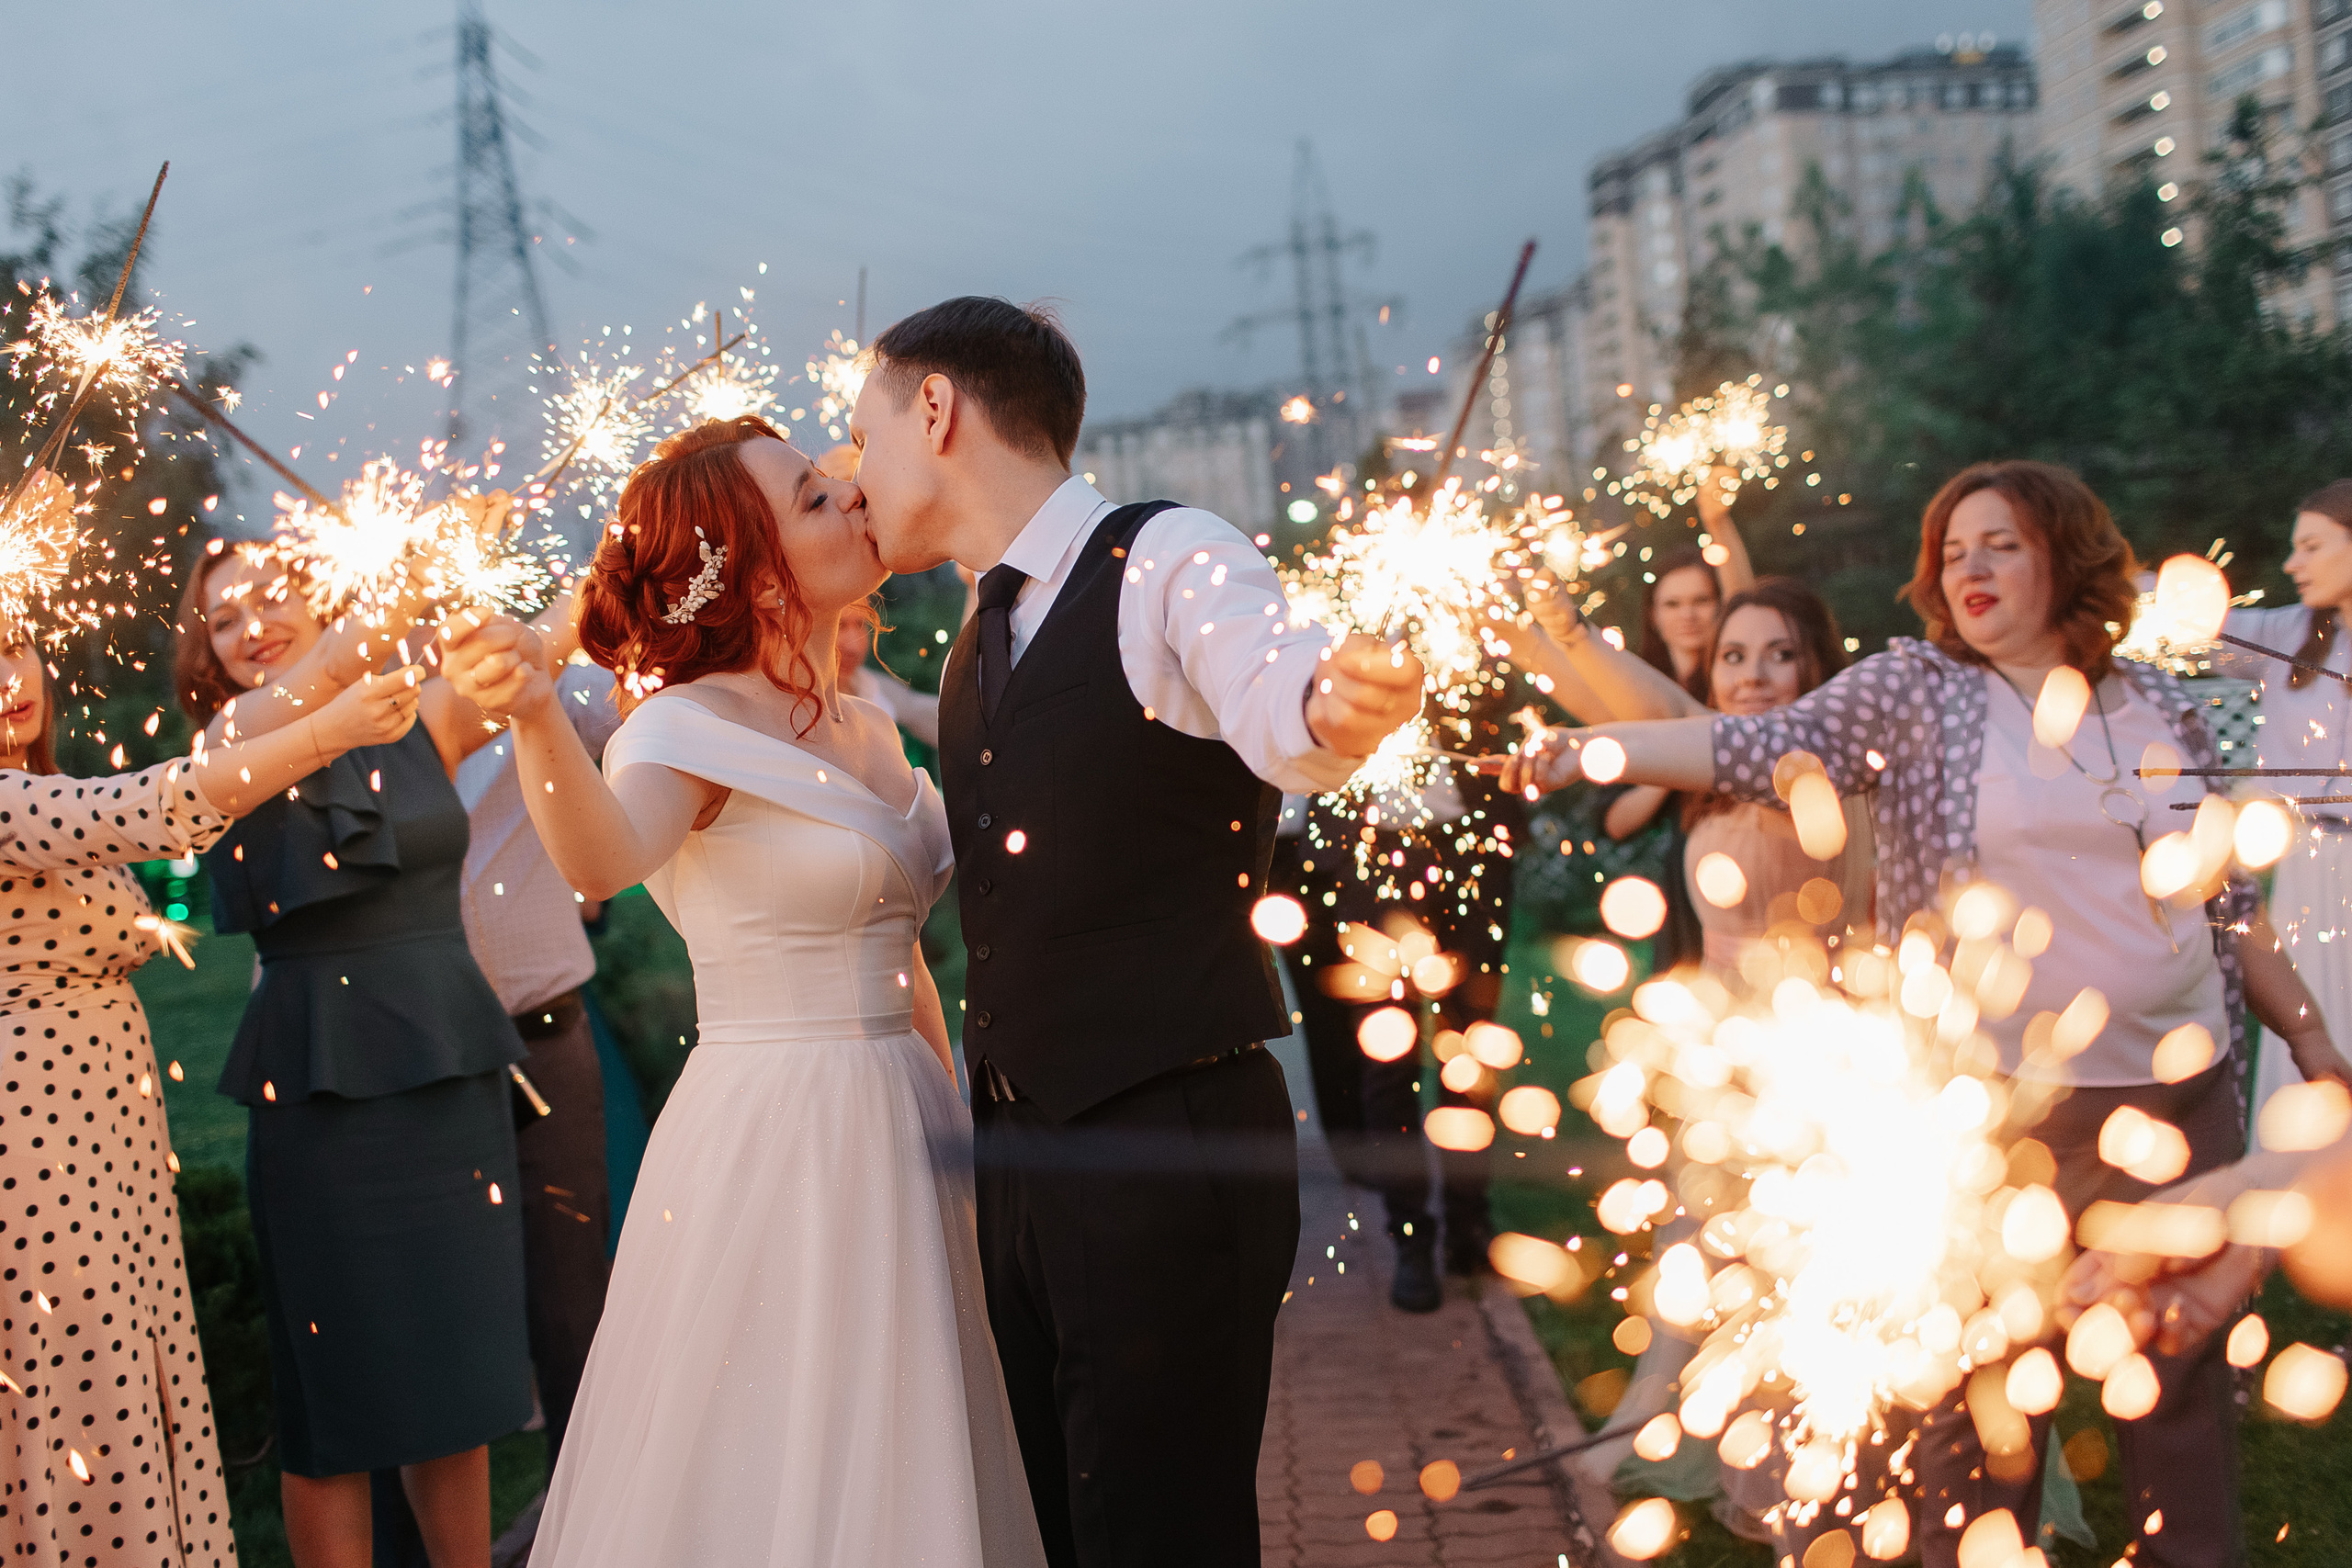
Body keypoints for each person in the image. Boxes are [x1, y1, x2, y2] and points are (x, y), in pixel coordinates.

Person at [1499, 459, 2349, 1568]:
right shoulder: (1918, 691)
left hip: (2177, 1100)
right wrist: (1591, 749)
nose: (1969, 568)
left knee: (2173, 1397)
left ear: (2066, 555)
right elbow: (1752, 747)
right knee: (1979, 1408)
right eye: (1952, 552)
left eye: (1997, 543)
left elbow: (2226, 901)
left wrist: (2309, 1037)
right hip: (1999, 1119)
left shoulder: (2158, 701)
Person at [848, 296, 1425, 1567]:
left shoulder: (1172, 555)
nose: (856, 472)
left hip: (1166, 1137)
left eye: (863, 433)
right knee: (1062, 1520)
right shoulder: (974, 635)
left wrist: (1338, 701)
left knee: (1161, 1530)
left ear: (935, 409)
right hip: (1021, 1151)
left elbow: (1278, 697)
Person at [436, 415, 1047, 1568]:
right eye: (816, 498)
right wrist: (528, 714)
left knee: (923, 1444)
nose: (853, 500)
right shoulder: (681, 729)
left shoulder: (871, 727)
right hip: (782, 1138)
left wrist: (965, 1127)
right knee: (781, 1457)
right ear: (752, 571)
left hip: (910, 1116)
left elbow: (901, 948)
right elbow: (600, 859)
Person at [0, 610, 419, 1568]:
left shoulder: (34, 783)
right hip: (35, 1156)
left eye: (13, 645)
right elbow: (154, 806)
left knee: (132, 1388)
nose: (7, 679)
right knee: (83, 1407)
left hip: (104, 1143)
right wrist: (325, 732)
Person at [178, 537, 535, 1568]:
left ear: (319, 593)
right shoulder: (231, 738)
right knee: (332, 1411)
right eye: (227, 618)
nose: (254, 627)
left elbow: (538, 658)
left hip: (450, 1069)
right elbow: (333, 667)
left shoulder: (419, 716)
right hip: (319, 1092)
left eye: (272, 599)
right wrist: (403, 578)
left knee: (456, 1381)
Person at [2214, 479, 2352, 1126]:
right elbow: (2189, 621)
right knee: (2313, 1008)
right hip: (2309, 863)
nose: (2293, 563)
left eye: (2313, 546)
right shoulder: (2286, 635)